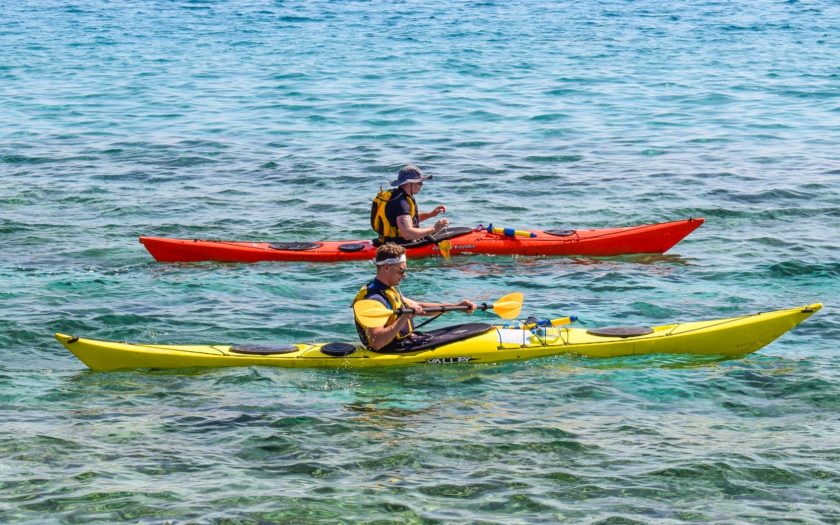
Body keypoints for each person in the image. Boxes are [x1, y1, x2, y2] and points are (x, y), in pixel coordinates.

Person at [352, 243, 476, 351]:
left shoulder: (387, 290)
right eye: (401, 271)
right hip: (391, 350)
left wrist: (456, 307)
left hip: (404, 343)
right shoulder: (374, 298)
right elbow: (377, 343)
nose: (404, 275)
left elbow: (419, 306)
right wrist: (404, 317)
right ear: (386, 268)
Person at [370, 165, 449, 244]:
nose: (421, 185)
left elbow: (408, 218)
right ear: (409, 183)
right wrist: (434, 228)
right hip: (396, 246)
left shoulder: (397, 195)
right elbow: (408, 234)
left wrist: (430, 214)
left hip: (387, 241)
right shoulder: (401, 203)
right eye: (419, 182)